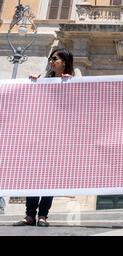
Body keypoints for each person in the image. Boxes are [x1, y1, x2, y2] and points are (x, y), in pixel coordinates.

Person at [13, 48, 75, 227]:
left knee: (50, 177)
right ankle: (30, 215)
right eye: (50, 58)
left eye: (54, 58)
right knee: (33, 174)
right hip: (39, 135)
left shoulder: (75, 83)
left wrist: (72, 85)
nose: (51, 61)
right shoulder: (44, 81)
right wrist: (33, 83)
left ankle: (43, 215)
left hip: (59, 137)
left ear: (64, 61)